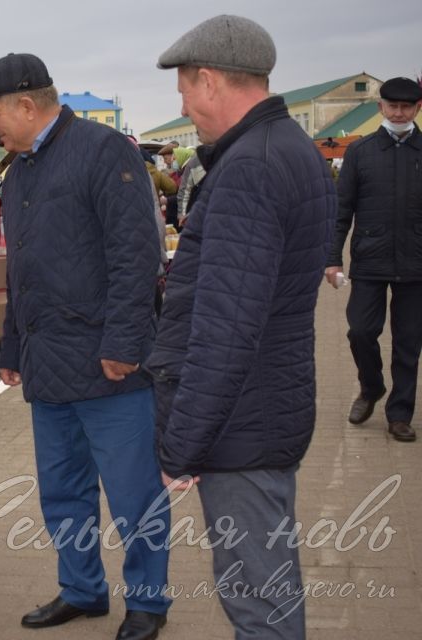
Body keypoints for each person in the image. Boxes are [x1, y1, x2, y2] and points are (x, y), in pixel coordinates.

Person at [0, 53, 171, 640]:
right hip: (50, 365)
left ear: (28, 105)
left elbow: (136, 256)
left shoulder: (105, 154)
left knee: (134, 495)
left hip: (110, 364)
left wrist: (126, 341)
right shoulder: (21, 167)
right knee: (63, 492)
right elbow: (26, 269)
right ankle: (82, 590)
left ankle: (149, 601)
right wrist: (12, 351)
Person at [148, 15, 336, 639]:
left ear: (208, 80)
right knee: (269, 588)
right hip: (266, 410)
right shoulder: (288, 147)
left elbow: (226, 331)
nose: (185, 108)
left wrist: (182, 445)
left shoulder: (249, 167)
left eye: (183, 93)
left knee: (258, 602)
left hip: (241, 426)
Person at [325, 76, 422, 443]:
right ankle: (371, 386)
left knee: (408, 343)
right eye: (392, 106)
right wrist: (333, 258)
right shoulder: (360, 152)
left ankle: (400, 414)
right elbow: (341, 209)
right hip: (369, 260)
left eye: (406, 107)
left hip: (416, 263)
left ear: (417, 108)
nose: (398, 113)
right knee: (361, 331)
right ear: (381, 107)